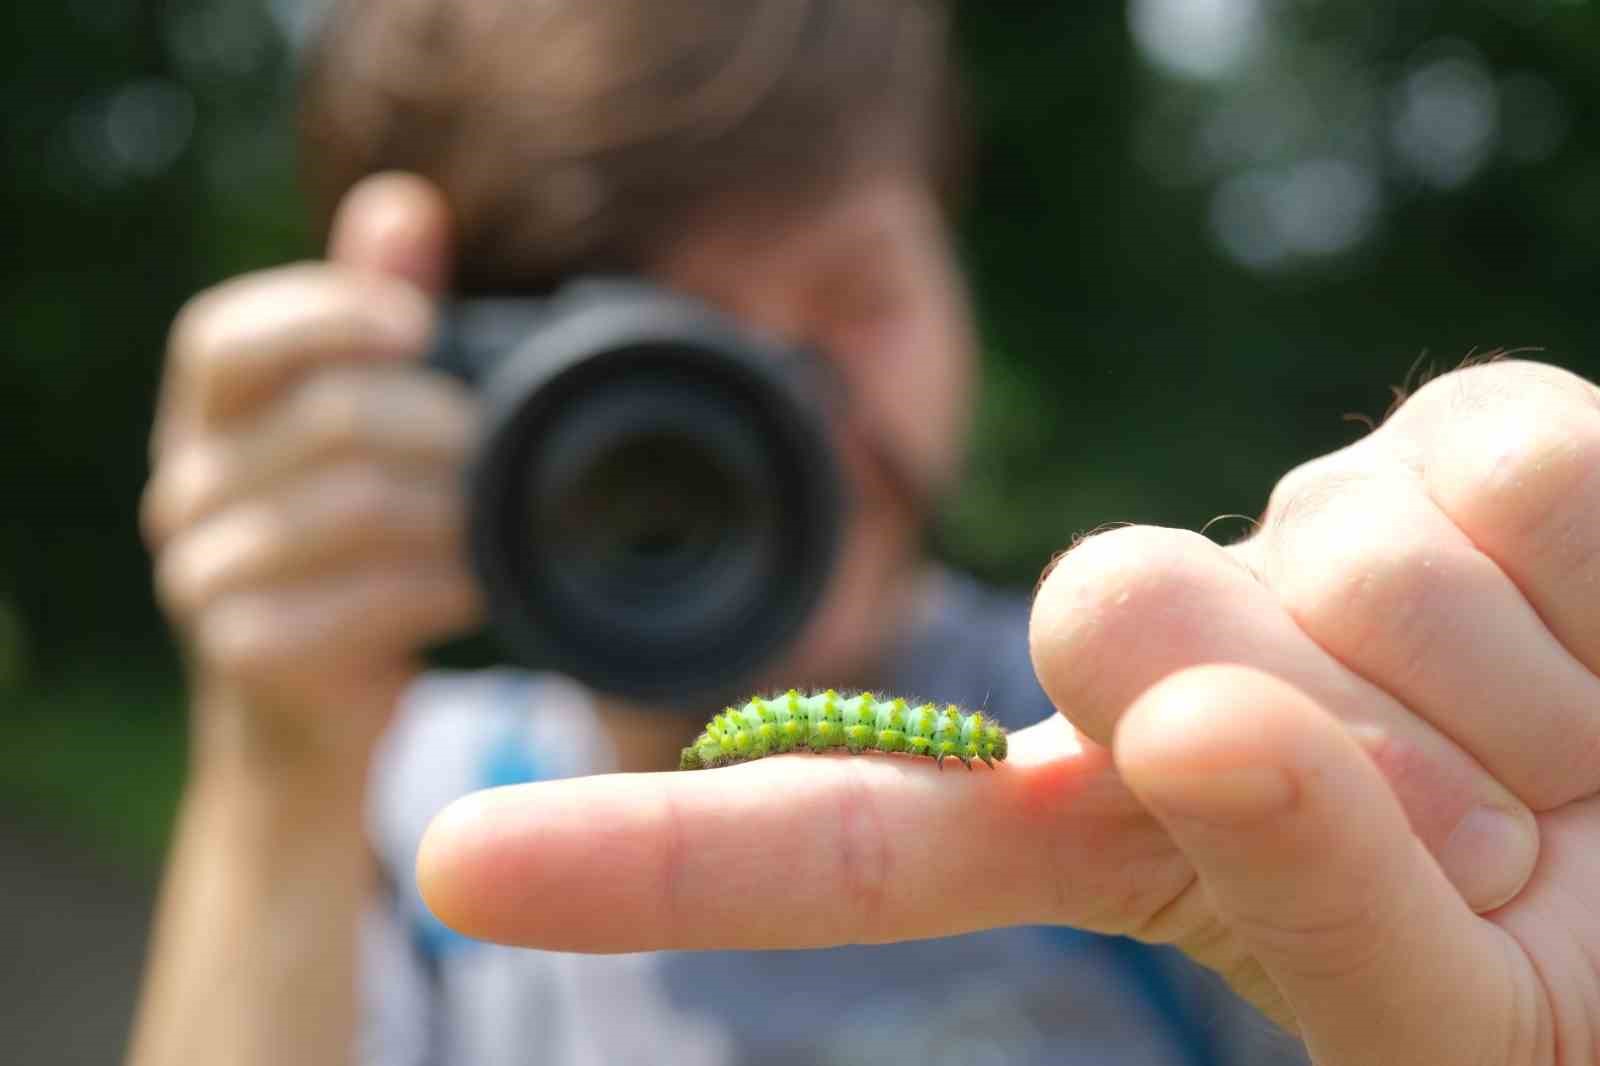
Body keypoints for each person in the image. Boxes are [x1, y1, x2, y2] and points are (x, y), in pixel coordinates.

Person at [129, 2, 1599, 1065]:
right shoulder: (411, 819)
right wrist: (279, 771)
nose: (792, 424)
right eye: (672, 355)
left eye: (851, 295)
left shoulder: (1134, 763)